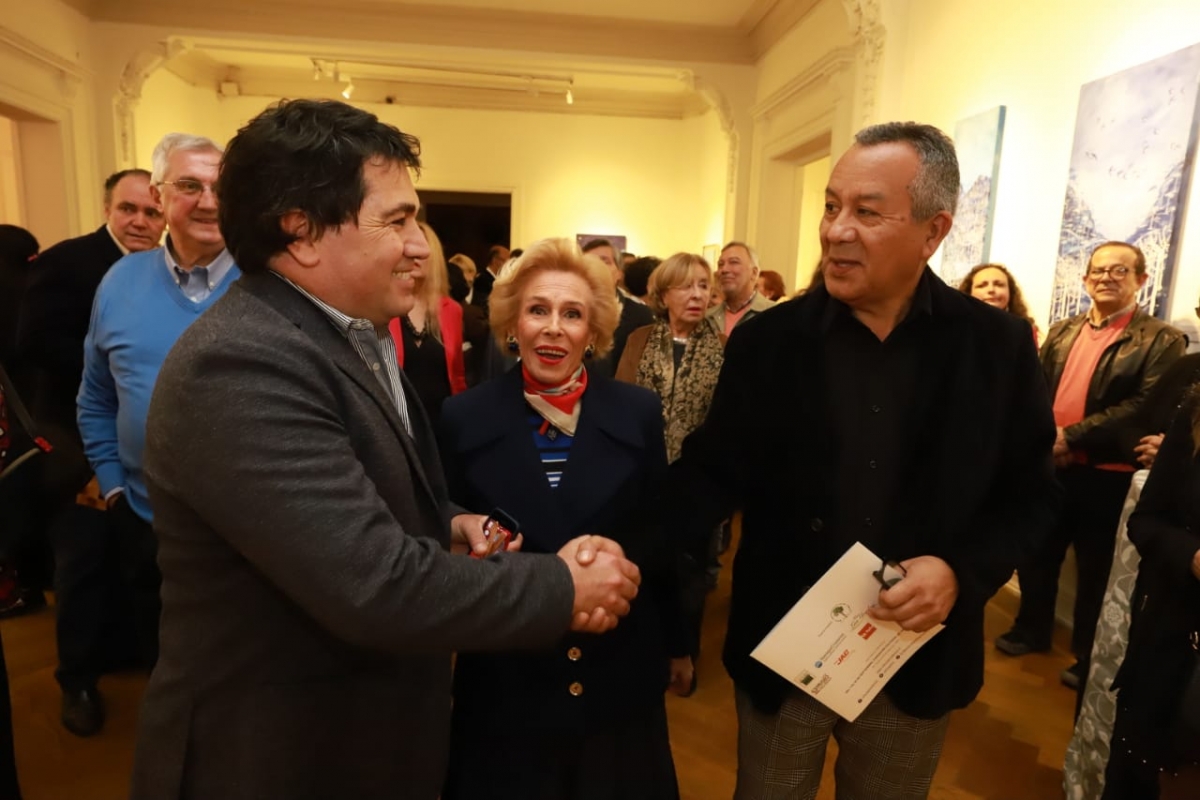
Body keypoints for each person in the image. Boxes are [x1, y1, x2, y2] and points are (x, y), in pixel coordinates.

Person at [130, 99, 641, 800]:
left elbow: (349, 503)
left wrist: (449, 522)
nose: (420, 246)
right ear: (303, 233)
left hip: (357, 738)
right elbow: (374, 584)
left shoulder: (345, 335)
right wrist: (564, 587)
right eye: (396, 221)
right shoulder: (242, 364)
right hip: (279, 758)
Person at [668, 122, 1060, 799]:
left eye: (867, 212)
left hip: (913, 656)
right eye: (831, 206)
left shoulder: (995, 346)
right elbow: (709, 474)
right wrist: (606, 547)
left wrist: (960, 573)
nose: (836, 230)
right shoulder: (769, 342)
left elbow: (1033, 495)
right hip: (785, 649)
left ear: (934, 231)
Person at [438, 237, 688, 800]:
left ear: (593, 332)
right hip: (508, 680)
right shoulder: (463, 416)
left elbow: (659, 534)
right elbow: (443, 523)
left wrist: (676, 644)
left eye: (572, 314)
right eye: (538, 310)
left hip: (616, 673)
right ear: (513, 324)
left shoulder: (637, 412)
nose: (553, 328)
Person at [73, 135, 237, 737]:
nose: (208, 201)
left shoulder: (270, 283)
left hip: (249, 533)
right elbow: (95, 397)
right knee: (164, 668)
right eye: (190, 186)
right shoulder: (119, 281)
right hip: (145, 521)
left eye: (220, 187)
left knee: (242, 679)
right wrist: (113, 486)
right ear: (160, 196)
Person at [995, 242, 1185, 699]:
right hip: (1052, 464)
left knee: (1096, 569)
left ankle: (1085, 654)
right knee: (1037, 553)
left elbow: (1144, 406)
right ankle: (1031, 629)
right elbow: (1036, 390)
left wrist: (1072, 437)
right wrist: (1046, 439)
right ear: (1084, 280)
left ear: (1141, 280)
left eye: (1120, 271)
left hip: (1107, 473)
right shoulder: (1063, 332)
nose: (1106, 278)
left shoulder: (1161, 340)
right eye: (1098, 271)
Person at [616, 252, 725, 679]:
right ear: (663, 295)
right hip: (642, 476)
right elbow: (622, 404)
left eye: (703, 285)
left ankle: (684, 658)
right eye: (685, 286)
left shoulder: (723, 347)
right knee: (643, 565)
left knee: (691, 576)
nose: (697, 295)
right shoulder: (640, 339)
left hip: (697, 482)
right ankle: (644, 654)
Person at [1102, 394, 1200, 799]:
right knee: (1135, 779)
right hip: (1172, 649)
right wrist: (1192, 557)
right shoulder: (1195, 411)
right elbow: (1147, 521)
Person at [387, 221, 466, 423]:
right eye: (406, 248)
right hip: (398, 420)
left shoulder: (452, 310)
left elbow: (457, 376)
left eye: (420, 249)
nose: (413, 256)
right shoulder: (385, 306)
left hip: (442, 422)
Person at [581, 237, 653, 377]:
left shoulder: (640, 315)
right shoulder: (571, 311)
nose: (597, 267)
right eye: (589, 262)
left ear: (619, 272)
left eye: (604, 261)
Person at [957, 262, 1039, 344]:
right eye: (982, 286)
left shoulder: (1025, 331)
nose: (991, 289)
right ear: (969, 292)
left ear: (1010, 293)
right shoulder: (955, 326)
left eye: (999, 285)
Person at [706, 241, 774, 337]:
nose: (724, 269)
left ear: (754, 273)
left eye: (734, 262)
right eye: (720, 264)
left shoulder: (774, 314)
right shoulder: (707, 318)